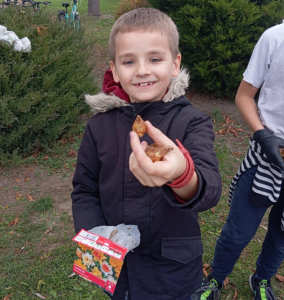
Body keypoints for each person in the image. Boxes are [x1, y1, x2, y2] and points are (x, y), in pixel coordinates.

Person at [71, 8, 222, 300]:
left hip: (173, 273)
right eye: (129, 61)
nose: (142, 70)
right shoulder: (98, 126)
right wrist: (96, 240)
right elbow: (85, 189)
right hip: (120, 270)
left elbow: (210, 188)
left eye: (155, 59)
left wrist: (182, 174)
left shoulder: (192, 121)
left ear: (175, 63)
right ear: (114, 69)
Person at [192, 22, 284, 300]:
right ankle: (215, 279)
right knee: (238, 232)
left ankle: (262, 279)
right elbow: (244, 96)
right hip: (265, 158)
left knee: (282, 235)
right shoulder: (275, 38)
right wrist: (262, 135)